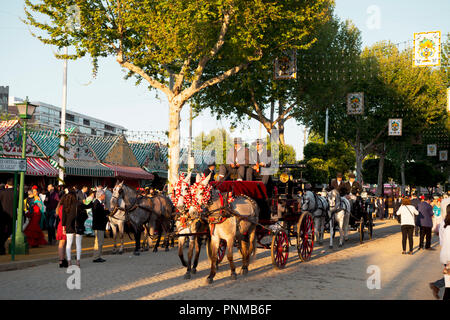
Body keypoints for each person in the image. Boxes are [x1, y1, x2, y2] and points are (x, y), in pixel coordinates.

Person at [429, 205, 450, 300]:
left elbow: (441, 242)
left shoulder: (443, 223)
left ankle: (437, 285)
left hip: (445, 254)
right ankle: (436, 285)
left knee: (448, 281)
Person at [62, 190, 88, 267]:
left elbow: (64, 218)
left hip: (69, 225)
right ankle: (78, 261)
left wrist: (64, 227)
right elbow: (85, 215)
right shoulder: (79, 204)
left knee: (68, 244)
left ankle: (69, 261)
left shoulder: (65, 205)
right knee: (78, 244)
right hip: (78, 225)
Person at [91, 189, 110, 263]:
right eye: (104, 195)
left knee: (97, 242)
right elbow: (98, 214)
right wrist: (106, 213)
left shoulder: (97, 203)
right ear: (101, 195)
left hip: (98, 225)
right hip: (99, 225)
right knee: (100, 242)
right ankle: (97, 257)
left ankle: (97, 256)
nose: (104, 196)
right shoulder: (97, 203)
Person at [0, 178, 14, 255]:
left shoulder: (2, 192)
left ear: (7, 185)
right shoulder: (16, 192)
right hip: (12, 215)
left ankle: (2, 248)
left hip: (2, 215)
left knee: (2, 231)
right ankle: (2, 247)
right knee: (9, 231)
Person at [55, 194, 68, 268]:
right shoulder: (63, 207)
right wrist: (64, 228)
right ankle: (61, 260)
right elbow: (63, 218)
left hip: (61, 224)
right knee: (62, 243)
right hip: (63, 225)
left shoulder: (59, 206)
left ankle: (62, 259)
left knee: (63, 243)